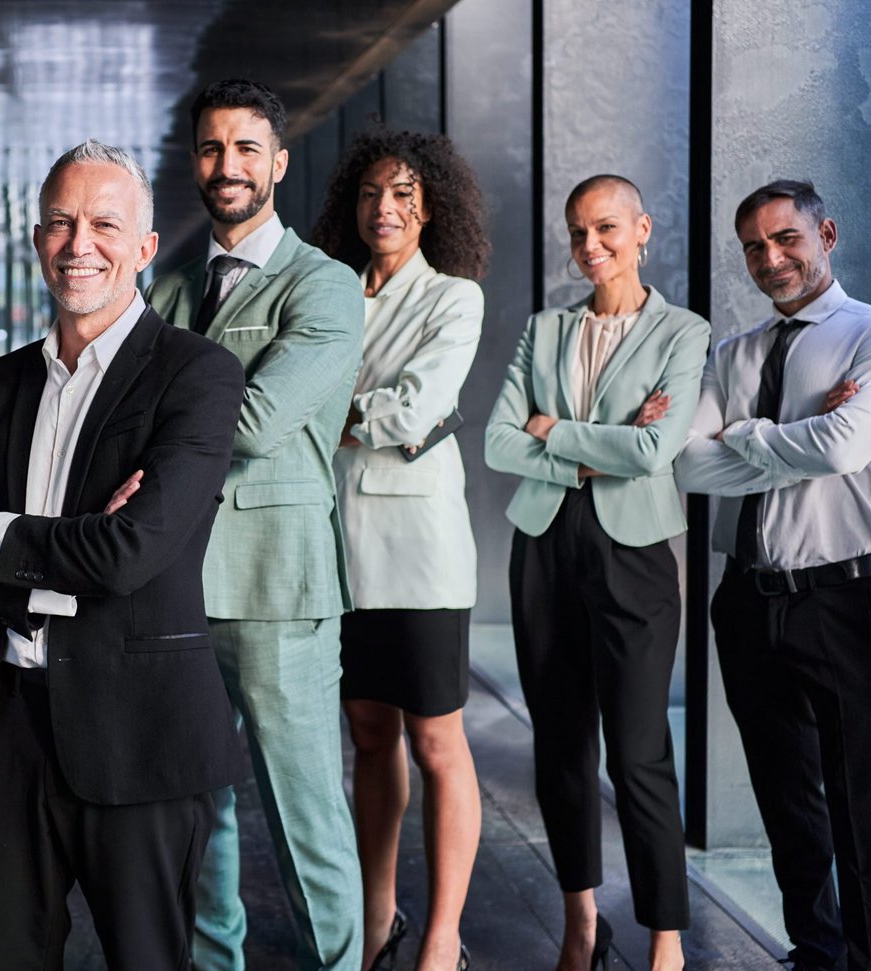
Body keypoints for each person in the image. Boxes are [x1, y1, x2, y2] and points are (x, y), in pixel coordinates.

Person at [0, 140, 246, 970]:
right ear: (36, 241)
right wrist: (61, 555)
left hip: (140, 727)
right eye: (61, 223)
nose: (79, 243)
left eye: (104, 223)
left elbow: (130, 552)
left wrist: (1, 531)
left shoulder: (197, 374)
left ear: (143, 247)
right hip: (10, 724)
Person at [674, 180, 871, 971]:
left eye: (786, 239)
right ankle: (816, 951)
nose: (770, 258)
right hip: (745, 598)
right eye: (754, 246)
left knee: (861, 804)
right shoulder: (734, 353)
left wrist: (747, 432)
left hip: (841, 594)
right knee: (785, 795)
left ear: (827, 232)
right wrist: (798, 434)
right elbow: (687, 462)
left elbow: (844, 449)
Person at [147, 77, 365, 971]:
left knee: (306, 815)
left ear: (277, 162)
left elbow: (253, 423)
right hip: (173, 589)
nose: (226, 164)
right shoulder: (167, 292)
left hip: (278, 590)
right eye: (210, 147)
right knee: (200, 811)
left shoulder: (325, 286)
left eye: (245, 148)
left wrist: (158, 418)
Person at [484, 175, 708, 971]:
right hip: (543, 546)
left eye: (607, 229)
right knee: (560, 743)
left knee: (639, 749)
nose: (590, 247)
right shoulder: (546, 329)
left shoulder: (683, 332)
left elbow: (654, 450)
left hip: (634, 552)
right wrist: (593, 441)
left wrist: (555, 433)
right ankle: (581, 921)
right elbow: (498, 443)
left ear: (642, 228)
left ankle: (667, 939)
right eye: (578, 233)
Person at [310, 129, 489, 971]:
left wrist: (327, 412)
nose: (386, 208)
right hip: (334, 549)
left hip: (419, 556)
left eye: (406, 195)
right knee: (370, 736)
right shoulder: (327, 290)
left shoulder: (454, 298)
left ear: (433, 209)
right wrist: (354, 408)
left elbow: (415, 410)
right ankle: (379, 916)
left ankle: (444, 938)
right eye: (373, 193)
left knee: (437, 742)